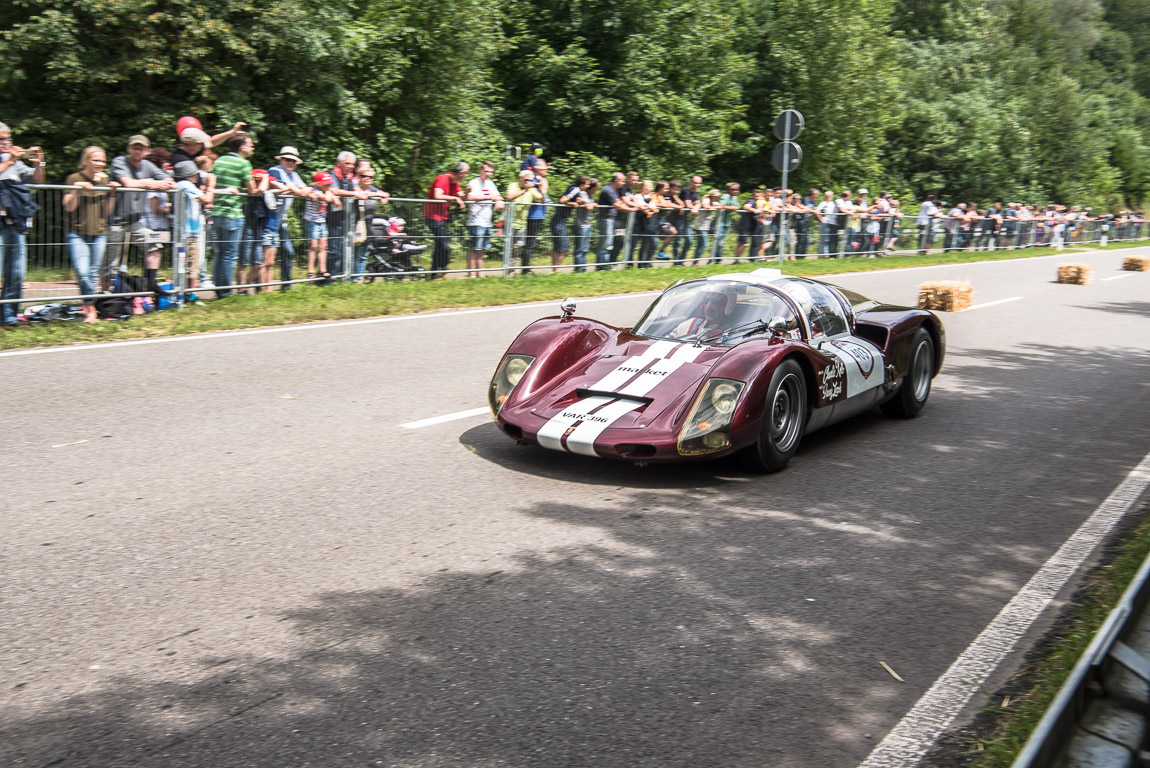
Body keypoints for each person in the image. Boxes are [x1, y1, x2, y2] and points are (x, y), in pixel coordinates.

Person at [105, 135, 173, 292]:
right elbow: (128, 183)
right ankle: (106, 296)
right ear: (128, 149)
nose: (137, 151)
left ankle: (150, 284)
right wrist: (151, 184)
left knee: (154, 246)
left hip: (135, 221)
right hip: (115, 221)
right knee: (111, 261)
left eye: (141, 148)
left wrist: (155, 182)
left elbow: (169, 181)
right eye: (134, 147)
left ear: (147, 151)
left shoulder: (148, 165)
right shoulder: (119, 161)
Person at [62, 146, 115, 323]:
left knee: (93, 273)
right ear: (85, 161)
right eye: (96, 160)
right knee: (83, 271)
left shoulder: (105, 180)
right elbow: (69, 207)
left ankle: (90, 308)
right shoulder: (74, 178)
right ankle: (89, 305)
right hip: (77, 232)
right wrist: (76, 189)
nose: (100, 164)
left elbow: (107, 211)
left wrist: (113, 193)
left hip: (99, 232)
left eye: (102, 161)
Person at [209, 133, 256, 297]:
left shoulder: (219, 160)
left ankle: (219, 289)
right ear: (242, 147)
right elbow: (252, 190)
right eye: (250, 144)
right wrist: (262, 181)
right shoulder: (243, 163)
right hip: (232, 213)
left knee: (220, 253)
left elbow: (211, 181)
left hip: (216, 213)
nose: (252, 147)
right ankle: (224, 292)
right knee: (229, 254)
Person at [267, 147, 309, 288]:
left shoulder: (294, 175)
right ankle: (257, 285)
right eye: (287, 159)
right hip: (268, 219)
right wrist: (295, 189)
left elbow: (305, 189)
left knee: (288, 251)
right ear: (281, 159)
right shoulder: (275, 171)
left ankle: (286, 285)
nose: (290, 163)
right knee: (266, 257)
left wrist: (298, 189)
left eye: (293, 161)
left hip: (281, 221)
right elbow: (282, 187)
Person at [172, 159, 212, 292]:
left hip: (187, 231)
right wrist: (212, 185)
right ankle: (190, 294)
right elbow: (207, 199)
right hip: (188, 232)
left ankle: (185, 293)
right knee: (192, 264)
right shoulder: (185, 184)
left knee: (189, 264)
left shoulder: (183, 185)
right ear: (190, 175)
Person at [424, 162, 469, 276]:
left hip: (443, 217)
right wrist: (455, 199)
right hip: (433, 216)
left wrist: (467, 192)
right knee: (444, 245)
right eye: (466, 173)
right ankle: (443, 269)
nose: (467, 175)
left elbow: (462, 197)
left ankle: (434, 273)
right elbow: (437, 195)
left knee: (440, 245)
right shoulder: (442, 178)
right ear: (460, 173)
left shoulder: (455, 183)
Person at [465, 161, 504, 277]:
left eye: (491, 172)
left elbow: (499, 196)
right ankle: (471, 274)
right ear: (480, 171)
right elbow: (469, 197)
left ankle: (480, 273)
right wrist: (488, 197)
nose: (489, 174)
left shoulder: (490, 184)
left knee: (483, 249)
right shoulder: (473, 182)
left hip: (487, 221)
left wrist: (499, 201)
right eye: (486, 171)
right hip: (476, 221)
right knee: (475, 248)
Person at [504, 168, 541, 273]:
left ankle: (511, 270)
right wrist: (524, 190)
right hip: (511, 222)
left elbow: (541, 200)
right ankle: (506, 269)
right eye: (526, 180)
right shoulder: (513, 185)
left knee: (517, 247)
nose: (528, 182)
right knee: (509, 246)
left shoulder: (531, 189)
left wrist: (541, 189)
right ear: (520, 179)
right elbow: (509, 197)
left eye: (530, 180)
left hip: (522, 224)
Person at [304, 171, 340, 279]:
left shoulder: (326, 192)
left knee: (324, 246)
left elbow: (337, 202)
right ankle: (310, 272)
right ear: (319, 184)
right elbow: (328, 198)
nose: (329, 186)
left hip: (322, 221)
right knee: (313, 246)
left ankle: (322, 270)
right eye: (327, 184)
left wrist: (328, 194)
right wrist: (326, 194)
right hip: (312, 221)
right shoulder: (314, 191)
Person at [669, 287, 738, 339]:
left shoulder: (730, 334)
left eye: (715, 301)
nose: (708, 306)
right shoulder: (689, 324)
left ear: (727, 305)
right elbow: (667, 341)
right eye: (705, 300)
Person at [551, 175, 587, 272]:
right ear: (582, 185)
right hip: (559, 221)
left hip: (559, 221)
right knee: (564, 248)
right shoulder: (575, 189)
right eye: (586, 184)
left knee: (558, 247)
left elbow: (575, 198)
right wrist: (572, 204)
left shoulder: (573, 188)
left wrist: (580, 201)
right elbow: (562, 200)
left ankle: (555, 269)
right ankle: (556, 270)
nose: (587, 186)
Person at [595, 172, 630, 269]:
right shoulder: (608, 190)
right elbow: (618, 206)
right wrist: (632, 210)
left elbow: (619, 202)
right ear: (616, 181)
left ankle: (604, 266)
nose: (623, 183)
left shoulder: (614, 191)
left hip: (610, 220)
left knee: (609, 244)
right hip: (606, 220)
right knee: (606, 245)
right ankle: (602, 267)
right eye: (622, 181)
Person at [571, 177, 598, 273]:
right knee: (579, 249)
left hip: (587, 225)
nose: (597, 190)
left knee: (585, 249)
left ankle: (583, 268)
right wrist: (593, 204)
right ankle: (579, 269)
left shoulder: (590, 196)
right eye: (596, 188)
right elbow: (589, 207)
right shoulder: (583, 193)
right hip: (580, 225)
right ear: (592, 187)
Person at [691, 189, 720, 265]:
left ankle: (695, 261)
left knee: (700, 244)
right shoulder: (706, 200)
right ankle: (695, 261)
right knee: (704, 244)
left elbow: (720, 206)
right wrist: (714, 208)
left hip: (706, 226)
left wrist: (719, 206)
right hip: (700, 226)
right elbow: (706, 206)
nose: (717, 199)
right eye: (717, 197)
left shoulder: (714, 202)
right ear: (713, 197)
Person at [713, 182, 740, 262]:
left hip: (727, 222)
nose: (736, 191)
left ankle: (718, 259)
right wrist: (731, 207)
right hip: (720, 221)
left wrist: (728, 207)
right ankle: (714, 258)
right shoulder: (725, 196)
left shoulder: (735, 197)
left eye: (737, 189)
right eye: (733, 189)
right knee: (718, 240)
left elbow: (737, 206)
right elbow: (721, 205)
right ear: (728, 190)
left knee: (722, 241)